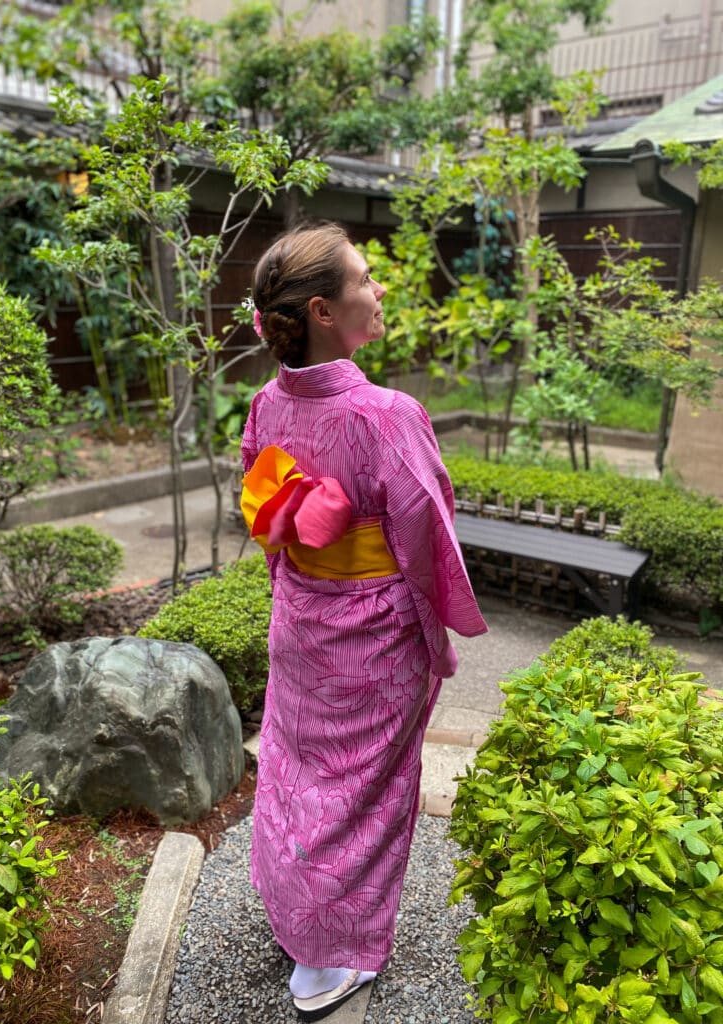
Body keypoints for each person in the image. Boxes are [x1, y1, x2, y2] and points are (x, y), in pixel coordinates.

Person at [240, 222, 487, 1021]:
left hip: (302, 617)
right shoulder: (386, 413)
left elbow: (268, 516)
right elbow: (423, 536)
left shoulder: (265, 403)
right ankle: (331, 952)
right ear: (322, 310)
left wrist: (302, 584)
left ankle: (293, 913)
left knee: (299, 774)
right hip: (374, 632)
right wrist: (434, 635)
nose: (379, 291)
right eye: (366, 280)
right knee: (367, 792)